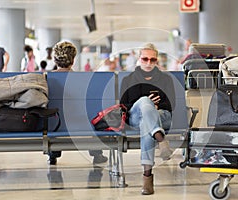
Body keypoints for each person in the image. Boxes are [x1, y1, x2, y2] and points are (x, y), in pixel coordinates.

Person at [120, 43, 175, 195]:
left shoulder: (166, 79)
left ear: (157, 61)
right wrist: (146, 104)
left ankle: (147, 177)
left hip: (162, 116)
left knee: (147, 121)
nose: (149, 63)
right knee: (145, 102)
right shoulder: (129, 80)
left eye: (152, 60)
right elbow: (124, 105)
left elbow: (171, 104)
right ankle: (160, 138)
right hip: (135, 118)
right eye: (145, 59)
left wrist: (154, 108)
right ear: (139, 59)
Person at [49, 41, 108, 165]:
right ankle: (97, 154)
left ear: (55, 60)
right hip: (81, 123)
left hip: (55, 124)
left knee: (54, 117)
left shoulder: (47, 79)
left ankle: (53, 154)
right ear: (73, 60)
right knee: (89, 116)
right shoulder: (83, 79)